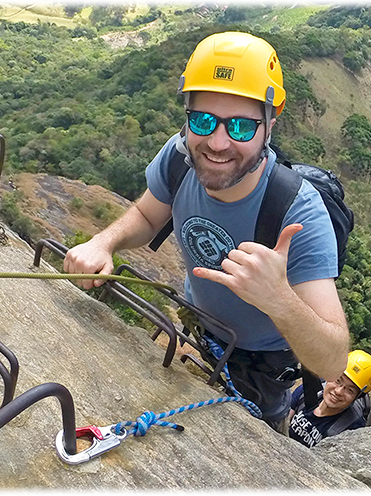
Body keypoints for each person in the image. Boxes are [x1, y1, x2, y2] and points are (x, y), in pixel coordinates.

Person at [63, 31, 350, 431]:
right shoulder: (180, 157)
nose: (217, 143)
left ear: (270, 125)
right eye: (202, 120)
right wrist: (104, 241)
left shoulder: (297, 213)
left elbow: (333, 360)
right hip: (195, 325)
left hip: (259, 366)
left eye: (241, 128)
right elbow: (148, 218)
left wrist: (279, 299)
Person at [287, 350, 371, 447]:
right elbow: (282, 420)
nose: (338, 391)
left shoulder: (351, 429)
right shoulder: (309, 389)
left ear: (357, 397)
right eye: (338, 380)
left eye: (350, 390)